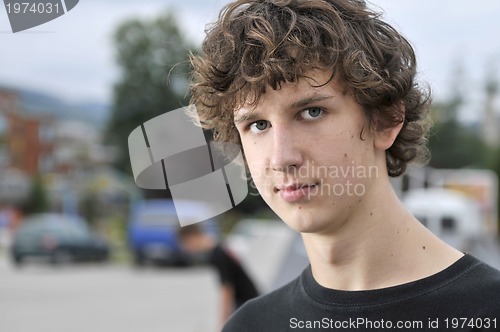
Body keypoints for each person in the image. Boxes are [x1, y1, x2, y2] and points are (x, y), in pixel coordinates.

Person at [189, 0, 500, 331]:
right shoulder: (250, 326)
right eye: (258, 125)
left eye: (311, 112)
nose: (281, 158)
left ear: (386, 119)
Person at [177, 224, 259, 327]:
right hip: (250, 302)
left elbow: (227, 289)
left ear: (193, 237)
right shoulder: (220, 248)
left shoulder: (218, 255)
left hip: (247, 305)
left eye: (186, 244)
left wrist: (222, 323)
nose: (186, 249)